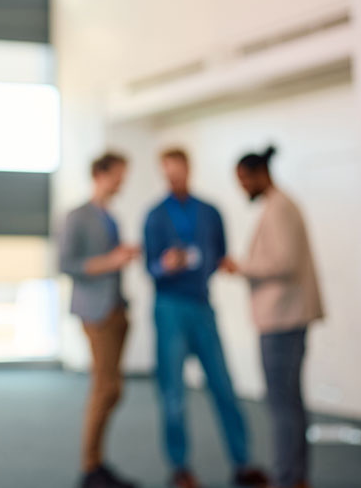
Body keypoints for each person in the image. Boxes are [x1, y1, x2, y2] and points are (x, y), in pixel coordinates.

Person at [143, 148, 268, 488]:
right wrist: (165, 265)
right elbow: (149, 267)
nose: (174, 177)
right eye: (167, 172)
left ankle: (243, 463)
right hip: (169, 307)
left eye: (178, 171)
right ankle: (180, 467)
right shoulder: (155, 216)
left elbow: (219, 255)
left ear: (189, 169)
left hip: (202, 306)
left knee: (224, 386)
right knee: (173, 394)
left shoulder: (210, 213)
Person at [222, 147, 324, 488]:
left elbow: (284, 262)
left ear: (258, 174)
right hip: (287, 318)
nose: (242, 188)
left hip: (282, 319)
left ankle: (285, 478)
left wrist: (240, 267)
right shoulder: (281, 204)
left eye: (243, 180)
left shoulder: (279, 208)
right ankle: (296, 477)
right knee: (290, 404)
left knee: (282, 406)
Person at [59, 152, 141, 488]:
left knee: (112, 389)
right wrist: (112, 261)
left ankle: (96, 462)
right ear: (101, 174)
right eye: (120, 174)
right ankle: (90, 468)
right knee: (105, 387)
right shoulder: (78, 215)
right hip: (95, 310)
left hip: (116, 307)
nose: (123, 181)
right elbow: (67, 264)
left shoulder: (111, 216)